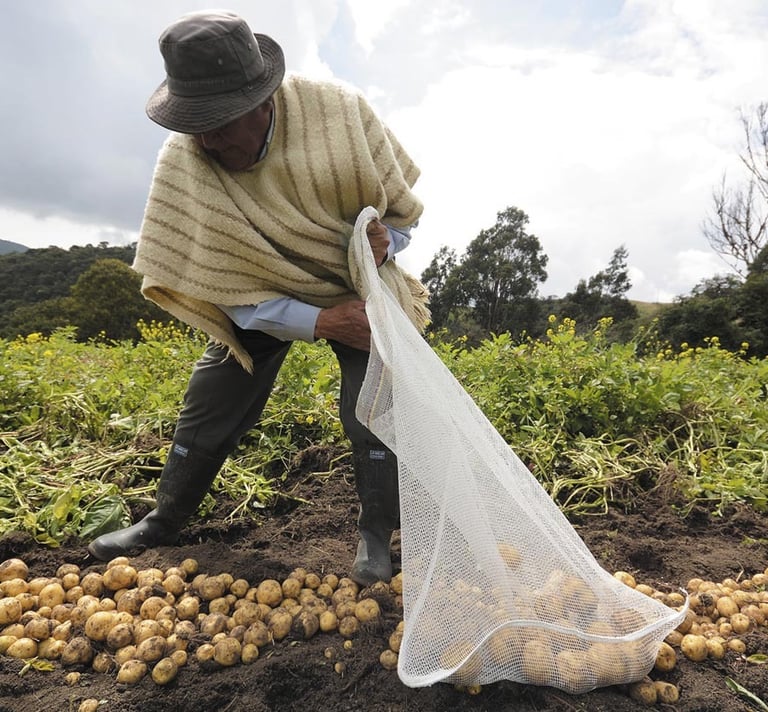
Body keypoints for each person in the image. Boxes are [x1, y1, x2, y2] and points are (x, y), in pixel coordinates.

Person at [87, 10, 429, 587]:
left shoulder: (339, 114)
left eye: (219, 123)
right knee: (211, 397)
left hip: (354, 285)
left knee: (373, 404)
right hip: (259, 290)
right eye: (195, 124)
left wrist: (384, 243)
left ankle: (376, 534)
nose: (208, 140)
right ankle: (163, 520)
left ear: (264, 100)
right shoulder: (187, 160)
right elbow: (227, 288)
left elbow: (399, 218)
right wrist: (319, 321)